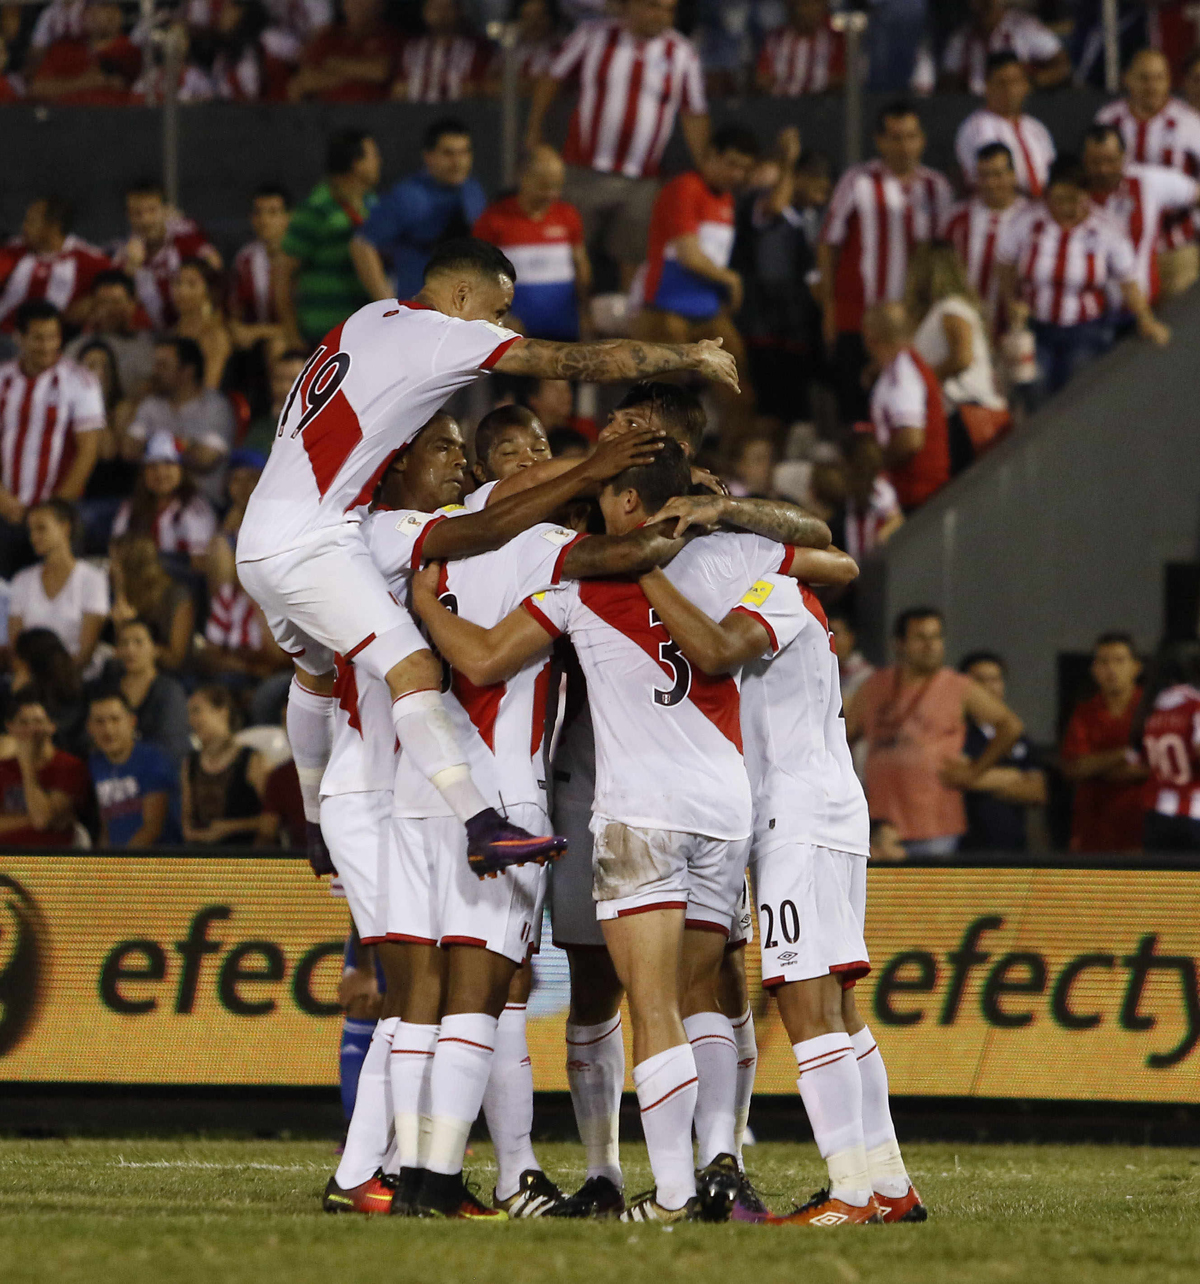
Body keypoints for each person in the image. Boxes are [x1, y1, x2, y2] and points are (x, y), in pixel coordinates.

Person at [411, 439, 832, 1222]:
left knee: (651, 1009)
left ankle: (670, 1192)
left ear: (631, 505)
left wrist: (427, 603)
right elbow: (826, 554)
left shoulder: (582, 585)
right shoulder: (734, 561)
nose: (597, 506)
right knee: (700, 994)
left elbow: (481, 660)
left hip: (640, 813)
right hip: (724, 807)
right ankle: (717, 1168)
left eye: (608, 494)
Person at [234, 236, 739, 882]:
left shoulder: (366, 319)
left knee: (313, 672)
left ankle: (314, 830)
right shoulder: (445, 333)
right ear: (464, 296)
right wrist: (688, 354)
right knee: (413, 665)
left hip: (260, 532)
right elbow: (576, 363)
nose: (502, 327)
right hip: (315, 536)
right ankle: (482, 825)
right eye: (499, 311)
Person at [318, 409, 698, 1218]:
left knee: (420, 994)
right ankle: (437, 1180)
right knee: (480, 996)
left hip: (420, 789)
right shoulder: (540, 550)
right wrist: (684, 513)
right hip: (501, 796)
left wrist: (427, 611)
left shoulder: (424, 541)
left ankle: (404, 1173)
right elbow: (621, 559)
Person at [638, 543, 928, 1225]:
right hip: (824, 806)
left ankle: (850, 1195)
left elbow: (713, 650)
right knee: (840, 1008)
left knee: (804, 1003)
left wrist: (643, 572)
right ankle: (889, 1183)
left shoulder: (776, 592)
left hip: (794, 814)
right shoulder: (789, 596)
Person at [524, 0, 709, 288]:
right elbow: (552, 79)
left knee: (633, 260)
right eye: (652, 6)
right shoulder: (593, 35)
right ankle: (572, 325)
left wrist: (703, 166)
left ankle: (628, 327)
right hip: (583, 171)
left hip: (642, 179)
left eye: (668, 9)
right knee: (571, 255)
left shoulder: (682, 53)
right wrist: (534, 130)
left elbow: (694, 114)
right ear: (629, 7)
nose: (660, 15)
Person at [845, 606, 1023, 858]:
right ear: (899, 643)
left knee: (931, 897)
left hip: (936, 826)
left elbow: (1010, 726)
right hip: (880, 826)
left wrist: (974, 772)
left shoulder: (958, 686)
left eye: (936, 637)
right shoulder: (875, 685)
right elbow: (843, 737)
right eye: (920, 637)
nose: (930, 645)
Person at [818, 101, 954, 424]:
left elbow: (944, 258)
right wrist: (829, 308)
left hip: (912, 322)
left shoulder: (938, 188)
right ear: (879, 141)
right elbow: (828, 245)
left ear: (922, 139)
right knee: (854, 412)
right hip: (858, 319)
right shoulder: (857, 181)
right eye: (895, 137)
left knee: (906, 411)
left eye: (911, 136)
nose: (904, 145)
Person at [996, 155, 1170, 400]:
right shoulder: (1028, 222)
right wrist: (1011, 299)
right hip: (1037, 328)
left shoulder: (1106, 229)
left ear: (1086, 195)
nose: (1067, 208)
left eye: (1074, 199)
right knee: (1035, 390)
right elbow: (1004, 263)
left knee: (1076, 391)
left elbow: (1128, 280)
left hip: (1085, 330)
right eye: (1059, 200)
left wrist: (1146, 319)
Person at [635, 123, 759, 430]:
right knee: (664, 396)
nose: (736, 175)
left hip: (707, 311)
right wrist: (731, 280)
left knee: (738, 389)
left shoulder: (726, 201)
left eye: (744, 169)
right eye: (731, 164)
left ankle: (731, 463)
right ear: (711, 156)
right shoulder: (685, 188)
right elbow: (689, 255)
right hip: (667, 307)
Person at [0, 300, 104, 576]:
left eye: (53, 337)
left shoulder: (81, 381)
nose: (47, 346)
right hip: (5, 508)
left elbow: (88, 450)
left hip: (58, 512)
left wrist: (57, 509)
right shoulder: (2, 379)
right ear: (18, 338)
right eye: (37, 338)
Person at [1096, 48, 1200, 298]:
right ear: (1127, 79)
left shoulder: (1189, 123)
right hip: (1120, 250)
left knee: (1177, 329)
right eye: (1143, 78)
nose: (1151, 86)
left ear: (1169, 80)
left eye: (1158, 78)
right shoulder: (1108, 120)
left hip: (1175, 247)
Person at [352, 118, 487, 304]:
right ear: (428, 156)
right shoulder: (408, 196)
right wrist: (386, 305)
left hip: (461, 311)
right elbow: (361, 245)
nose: (458, 162)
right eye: (448, 153)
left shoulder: (473, 192)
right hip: (416, 310)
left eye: (464, 152)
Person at [473, 146, 591, 342]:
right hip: (511, 336)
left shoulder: (568, 215)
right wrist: (499, 318)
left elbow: (581, 266)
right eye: (544, 186)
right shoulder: (492, 220)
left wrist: (586, 313)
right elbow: (476, 276)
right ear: (522, 177)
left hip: (564, 331)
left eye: (557, 186)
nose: (552, 194)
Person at [277, 129, 380, 346]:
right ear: (356, 163)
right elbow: (283, 275)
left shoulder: (374, 205)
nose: (379, 162)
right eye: (374, 156)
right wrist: (292, 336)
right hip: (321, 335)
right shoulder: (315, 210)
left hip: (364, 332)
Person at [1083, 124, 1199, 309]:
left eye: (1110, 161)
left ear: (1123, 156)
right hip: (1092, 313)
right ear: (1084, 160)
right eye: (1095, 162)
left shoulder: (1146, 181)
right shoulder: (1072, 195)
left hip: (1146, 303)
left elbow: (1195, 193)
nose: (1103, 170)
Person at [906, 243, 1005, 445]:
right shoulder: (938, 311)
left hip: (965, 411)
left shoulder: (952, 309)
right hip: (953, 412)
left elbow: (963, 358)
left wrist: (923, 379)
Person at [1061, 631, 1148, 854]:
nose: (1111, 669)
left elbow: (1154, 768)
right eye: (1103, 661)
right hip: (1092, 830)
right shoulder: (1084, 712)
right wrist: (1126, 753)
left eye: (1119, 660)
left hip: (1142, 828)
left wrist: (1097, 767)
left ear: (1136, 667)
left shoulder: (1154, 710)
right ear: (1094, 670)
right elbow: (1075, 767)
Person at [862, 301, 950, 513]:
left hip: (916, 494)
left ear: (873, 338)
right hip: (920, 491)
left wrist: (876, 463)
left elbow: (911, 439)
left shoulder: (902, 375)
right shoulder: (902, 366)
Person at [957, 650, 1046, 852]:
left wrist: (975, 780)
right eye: (979, 680)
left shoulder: (1018, 735)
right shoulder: (953, 735)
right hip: (965, 852)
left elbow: (1037, 791)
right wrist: (1014, 777)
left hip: (1013, 851)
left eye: (995, 679)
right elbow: (952, 780)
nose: (989, 687)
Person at [125, 341, 235, 503]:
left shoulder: (215, 406)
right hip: (155, 503)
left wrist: (157, 444)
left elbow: (205, 459)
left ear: (187, 371)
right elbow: (129, 450)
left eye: (163, 366)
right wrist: (184, 445)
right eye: (156, 365)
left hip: (204, 501)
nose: (155, 372)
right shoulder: (151, 404)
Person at [9, 499, 108, 679]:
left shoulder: (92, 580)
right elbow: (15, 647)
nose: (33, 537)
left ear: (65, 528)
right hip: (30, 679)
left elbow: (85, 652)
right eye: (30, 530)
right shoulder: (22, 580)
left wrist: (55, 681)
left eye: (41, 528)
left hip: (74, 680)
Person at [113, 180, 221, 331]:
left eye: (152, 210)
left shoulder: (186, 237)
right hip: (149, 336)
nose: (145, 220)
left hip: (193, 330)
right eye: (137, 213)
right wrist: (132, 269)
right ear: (128, 216)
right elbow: (118, 309)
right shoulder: (122, 256)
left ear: (165, 211)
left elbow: (215, 268)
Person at [943, 142, 1027, 334]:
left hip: (1016, 330)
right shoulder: (956, 220)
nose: (990, 183)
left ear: (1013, 175)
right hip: (965, 329)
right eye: (984, 175)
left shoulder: (1031, 220)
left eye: (997, 175)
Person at [0, 195, 110, 331]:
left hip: (59, 342)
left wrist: (95, 301)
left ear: (53, 227)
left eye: (31, 221)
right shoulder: (12, 251)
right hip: (5, 335)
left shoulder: (89, 260)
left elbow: (119, 291)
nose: (24, 227)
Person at [112, 430, 217, 572]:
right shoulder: (130, 506)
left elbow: (199, 563)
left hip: (181, 582)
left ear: (181, 470)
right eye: (152, 466)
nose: (160, 473)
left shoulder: (196, 508)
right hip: (136, 579)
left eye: (168, 464)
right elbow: (117, 552)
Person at [87, 690, 181, 847]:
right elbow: (106, 825)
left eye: (115, 719)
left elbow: (152, 828)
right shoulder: (96, 763)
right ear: (90, 728)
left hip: (159, 863)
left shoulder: (153, 759)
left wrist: (119, 867)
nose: (108, 729)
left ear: (131, 721)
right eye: (99, 722)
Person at [955, 52, 1055, 199]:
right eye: (1002, 83)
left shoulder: (1036, 128)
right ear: (987, 86)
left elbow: (1050, 174)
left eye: (1015, 81)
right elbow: (987, 179)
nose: (1010, 90)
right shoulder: (977, 127)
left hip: (1039, 209)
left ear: (1026, 85)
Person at [99, 615, 192, 769]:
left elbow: (173, 747)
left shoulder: (170, 691)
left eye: (138, 642)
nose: (130, 649)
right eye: (124, 643)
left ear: (156, 649)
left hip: (155, 774)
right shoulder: (108, 688)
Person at [0, 690, 89, 848]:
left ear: (51, 726)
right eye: (23, 722)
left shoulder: (69, 766)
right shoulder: (3, 768)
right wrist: (30, 818)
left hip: (52, 863)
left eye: (38, 721)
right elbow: (40, 819)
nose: (32, 729)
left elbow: (42, 820)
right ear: (10, 727)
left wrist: (26, 765)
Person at [1136, 641, 1200, 851]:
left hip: (1155, 815)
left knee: (1160, 882)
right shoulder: (1195, 705)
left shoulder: (1150, 708)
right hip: (1192, 814)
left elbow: (1137, 759)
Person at [181, 684, 264, 845]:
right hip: (201, 857)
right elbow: (187, 822)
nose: (191, 720)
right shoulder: (190, 763)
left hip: (244, 855)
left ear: (222, 711)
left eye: (197, 711)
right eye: (189, 713)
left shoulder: (250, 759)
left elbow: (270, 821)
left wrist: (229, 827)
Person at [941, 0, 1069, 97]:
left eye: (987, 4)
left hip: (1021, 105)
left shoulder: (1024, 27)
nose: (979, 7)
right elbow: (948, 84)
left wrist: (1033, 83)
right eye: (975, 3)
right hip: (974, 106)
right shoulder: (961, 38)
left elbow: (1062, 65)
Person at [109, 534, 195, 674]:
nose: (111, 568)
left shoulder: (177, 597)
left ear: (132, 566)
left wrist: (140, 644)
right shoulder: (119, 593)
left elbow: (176, 659)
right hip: (130, 673)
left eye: (115, 562)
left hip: (169, 675)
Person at [64, 269, 155, 400]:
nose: (109, 309)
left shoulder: (148, 347)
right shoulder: (76, 347)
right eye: (102, 302)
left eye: (116, 302)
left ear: (132, 304)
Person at [27, 0, 139, 105]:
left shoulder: (129, 48)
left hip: (118, 117)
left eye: (111, 7)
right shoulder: (66, 48)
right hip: (72, 118)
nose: (109, 14)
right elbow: (36, 89)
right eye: (90, 9)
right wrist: (85, 82)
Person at [287, 0, 400, 102]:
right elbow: (304, 81)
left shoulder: (392, 37)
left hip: (375, 116)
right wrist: (362, 72)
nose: (357, 4)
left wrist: (334, 65)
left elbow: (381, 71)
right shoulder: (328, 38)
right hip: (327, 117)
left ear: (381, 5)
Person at [392, 0, 490, 102]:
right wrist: (455, 87)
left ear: (459, 11)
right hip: (415, 113)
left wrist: (418, 86)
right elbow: (399, 89)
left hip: (462, 113)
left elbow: (479, 88)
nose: (441, 14)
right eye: (435, 8)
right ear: (425, 11)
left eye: (447, 8)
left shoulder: (476, 48)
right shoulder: (411, 48)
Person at [229, 184, 292, 328]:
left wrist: (261, 332)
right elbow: (235, 312)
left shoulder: (300, 256)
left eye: (273, 212)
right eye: (258, 213)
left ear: (288, 216)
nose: (264, 220)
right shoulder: (244, 259)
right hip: (255, 339)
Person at [755, 0, 844, 97]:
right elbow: (762, 79)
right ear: (792, 7)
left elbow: (840, 79)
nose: (810, 11)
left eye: (816, 5)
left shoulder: (834, 41)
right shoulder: (775, 39)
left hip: (822, 106)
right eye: (805, 5)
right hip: (779, 106)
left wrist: (795, 84)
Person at [169, 258, 233, 392]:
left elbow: (210, 387)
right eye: (177, 283)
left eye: (191, 284)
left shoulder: (215, 335)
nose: (182, 291)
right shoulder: (173, 332)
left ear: (208, 290)